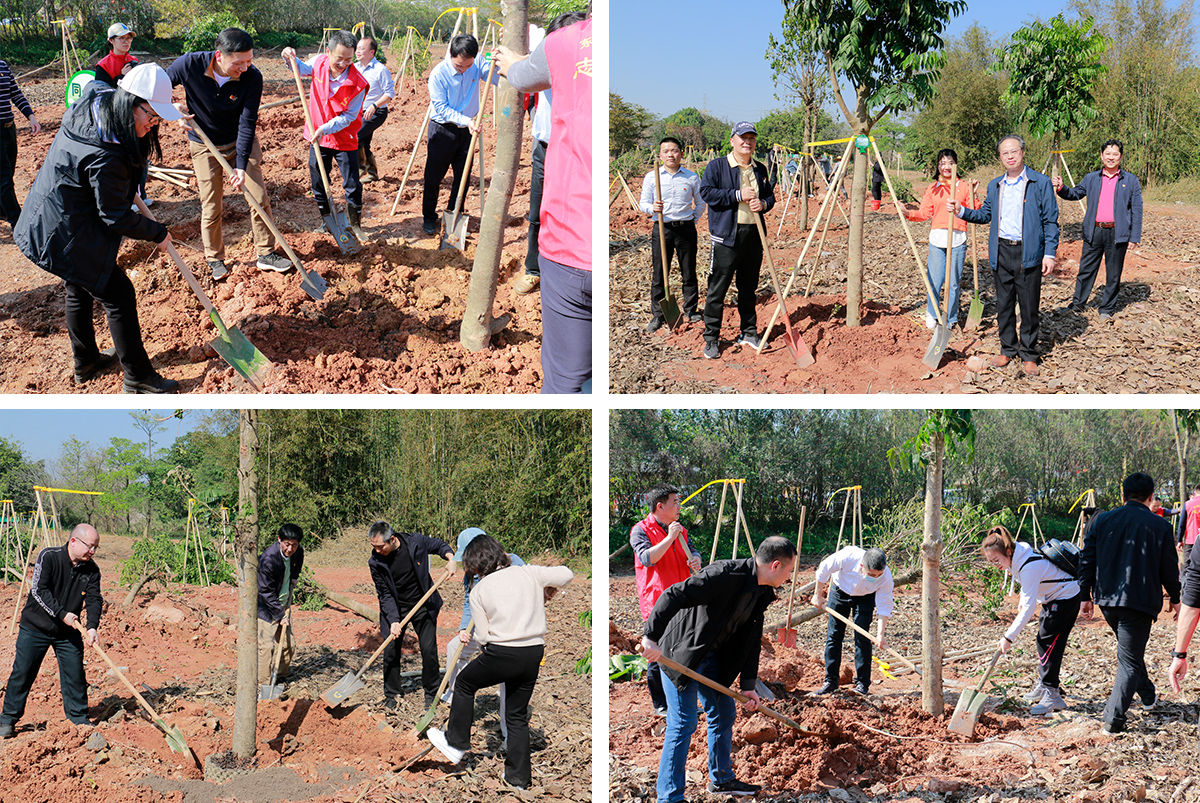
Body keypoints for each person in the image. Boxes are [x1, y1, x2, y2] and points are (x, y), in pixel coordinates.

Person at [15, 64, 180, 393]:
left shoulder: (100, 100)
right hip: (65, 228)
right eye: (152, 114)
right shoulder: (106, 155)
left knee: (78, 286)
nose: (154, 123)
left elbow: (92, 88)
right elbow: (116, 216)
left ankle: (86, 361)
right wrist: (156, 232)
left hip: (58, 213)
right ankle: (138, 377)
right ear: (130, 103)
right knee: (118, 294)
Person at [641, 536, 797, 802]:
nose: (789, 577)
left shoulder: (761, 592)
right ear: (775, 565)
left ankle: (721, 780)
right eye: (790, 570)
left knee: (724, 712)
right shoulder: (724, 574)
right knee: (683, 723)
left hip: (711, 658)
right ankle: (669, 797)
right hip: (680, 654)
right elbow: (673, 594)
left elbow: (751, 641)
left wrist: (748, 686)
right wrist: (650, 637)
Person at [427, 534, 573, 790]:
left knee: (463, 683)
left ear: (474, 565)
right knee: (516, 717)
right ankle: (518, 780)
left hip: (503, 653)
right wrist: (541, 584)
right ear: (500, 553)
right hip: (534, 652)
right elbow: (567, 574)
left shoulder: (479, 589)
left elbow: (482, 637)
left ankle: (455, 743)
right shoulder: (529, 573)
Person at [496, 14, 592, 394]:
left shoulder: (564, 45)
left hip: (569, 245)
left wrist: (511, 62)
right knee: (533, 215)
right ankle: (532, 266)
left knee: (566, 378)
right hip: (549, 163)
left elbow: (518, 75)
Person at [167, 27, 291, 280]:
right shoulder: (189, 64)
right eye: (239, 63)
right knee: (211, 203)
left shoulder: (252, 78)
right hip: (203, 143)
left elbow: (247, 123)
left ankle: (266, 253)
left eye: (249, 61)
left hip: (238, 140)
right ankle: (215, 258)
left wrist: (241, 166)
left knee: (258, 196)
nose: (245, 68)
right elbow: (154, 87)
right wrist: (170, 109)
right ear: (219, 55)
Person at [1079, 472, 1180, 734]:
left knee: (1129, 654)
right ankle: (1113, 720)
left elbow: (1087, 557)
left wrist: (1084, 595)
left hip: (1108, 600)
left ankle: (1148, 696)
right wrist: (1176, 598)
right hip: (1140, 601)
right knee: (1130, 660)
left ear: (1123, 496)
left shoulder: (1102, 520)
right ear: (1150, 497)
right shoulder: (1160, 526)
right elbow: (1169, 567)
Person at [953, 135, 1058, 376]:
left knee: (1029, 307)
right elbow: (985, 214)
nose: (1010, 156)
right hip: (1001, 250)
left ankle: (1029, 354)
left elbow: (1050, 221)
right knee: (1004, 305)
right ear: (1000, 157)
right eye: (1004, 153)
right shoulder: (995, 185)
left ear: (1022, 153)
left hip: (1028, 252)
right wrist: (962, 211)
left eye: (1014, 151)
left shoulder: (1039, 183)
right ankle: (1008, 349)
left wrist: (1049, 254)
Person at [0, 524, 102, 737]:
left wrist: (92, 627)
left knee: (74, 673)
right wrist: (62, 613)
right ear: (74, 541)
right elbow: (39, 590)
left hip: (67, 632)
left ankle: (79, 719)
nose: (92, 552)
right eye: (89, 546)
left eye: (96, 548)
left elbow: (94, 599)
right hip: (35, 627)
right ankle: (7, 719)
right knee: (23, 672)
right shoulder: (50, 556)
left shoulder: (91, 570)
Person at [513, 11, 587, 297]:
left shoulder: (586, 68)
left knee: (573, 213)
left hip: (577, 150)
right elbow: (521, 67)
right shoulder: (546, 60)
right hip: (545, 147)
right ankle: (534, 270)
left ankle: (566, 273)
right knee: (537, 213)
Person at [980, 525, 1081, 716]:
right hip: (1052, 597)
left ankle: (1052, 694)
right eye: (991, 562)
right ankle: (1044, 685)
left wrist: (1008, 637)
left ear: (1008, 552)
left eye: (996, 560)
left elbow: (1028, 609)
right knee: (1044, 641)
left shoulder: (1028, 566)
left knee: (1048, 643)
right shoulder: (1017, 557)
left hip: (1066, 597)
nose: (995, 565)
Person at [699, 122, 776, 361]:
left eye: (752, 138)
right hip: (726, 237)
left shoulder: (760, 169)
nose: (747, 142)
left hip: (753, 236)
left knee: (748, 288)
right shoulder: (718, 166)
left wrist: (763, 204)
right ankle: (711, 337)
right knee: (717, 290)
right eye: (743, 137)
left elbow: (770, 196)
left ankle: (749, 332)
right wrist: (737, 196)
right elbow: (707, 193)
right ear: (732, 140)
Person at [441, 527, 526, 741]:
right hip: (481, 628)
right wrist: (463, 629)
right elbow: (469, 601)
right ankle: (457, 698)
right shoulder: (471, 572)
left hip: (509, 632)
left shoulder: (512, 562)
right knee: (454, 647)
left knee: (508, 678)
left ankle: (509, 735)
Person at [283, 33, 369, 236]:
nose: (344, 63)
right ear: (328, 52)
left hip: (343, 138)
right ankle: (328, 221)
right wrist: (289, 57)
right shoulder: (319, 62)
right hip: (317, 137)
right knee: (318, 182)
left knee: (351, 183)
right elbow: (301, 68)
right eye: (339, 58)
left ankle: (355, 224)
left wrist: (325, 128)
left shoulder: (358, 83)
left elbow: (348, 117)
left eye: (349, 59)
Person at [630, 484, 702, 716]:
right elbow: (647, 558)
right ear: (660, 506)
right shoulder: (640, 530)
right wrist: (670, 538)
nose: (679, 506)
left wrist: (696, 560)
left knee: (683, 649)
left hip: (683, 597)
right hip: (658, 600)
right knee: (656, 652)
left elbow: (691, 550)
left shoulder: (679, 530)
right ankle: (661, 704)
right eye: (675, 502)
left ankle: (682, 701)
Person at [367, 521, 456, 708]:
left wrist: (451, 559)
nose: (376, 550)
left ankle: (431, 693)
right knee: (391, 650)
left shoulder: (415, 542)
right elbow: (384, 594)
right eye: (373, 547)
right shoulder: (375, 562)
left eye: (380, 546)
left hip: (423, 603)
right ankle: (392, 695)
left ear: (392, 539)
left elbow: (439, 545)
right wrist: (393, 620)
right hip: (395, 608)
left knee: (429, 649)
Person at [1053, 140, 1142, 320]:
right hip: (1094, 231)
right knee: (1086, 270)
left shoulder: (1130, 180)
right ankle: (1077, 305)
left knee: (1113, 273)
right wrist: (1062, 188)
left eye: (1115, 154)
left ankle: (1107, 309)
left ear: (1121, 157)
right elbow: (1075, 194)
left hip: (1117, 234)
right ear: (1102, 156)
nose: (1111, 157)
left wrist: (1134, 236)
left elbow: (1137, 210)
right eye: (1107, 154)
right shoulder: (1091, 178)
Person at [422, 33, 500, 236]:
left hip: (467, 131)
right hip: (443, 129)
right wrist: (467, 121)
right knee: (433, 177)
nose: (464, 70)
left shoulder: (476, 62)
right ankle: (429, 217)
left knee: (462, 176)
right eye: (459, 66)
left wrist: (504, 66)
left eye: (468, 66)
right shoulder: (438, 74)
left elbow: (492, 75)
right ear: (450, 54)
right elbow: (441, 107)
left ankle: (453, 214)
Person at [903, 149, 978, 329]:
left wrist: (974, 193)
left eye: (950, 163)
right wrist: (908, 213)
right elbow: (924, 213)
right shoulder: (933, 188)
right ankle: (932, 313)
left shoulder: (963, 186)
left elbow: (975, 212)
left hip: (958, 239)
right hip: (937, 240)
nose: (946, 167)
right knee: (935, 280)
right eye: (942, 163)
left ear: (956, 164)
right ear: (937, 166)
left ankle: (950, 318)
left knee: (953, 283)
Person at [640, 137, 705, 332]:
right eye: (666, 151)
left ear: (681, 154)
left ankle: (691, 310)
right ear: (660, 155)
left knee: (689, 270)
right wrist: (652, 207)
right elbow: (642, 203)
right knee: (660, 273)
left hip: (685, 228)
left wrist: (692, 220)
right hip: (662, 228)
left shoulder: (692, 177)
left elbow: (701, 202)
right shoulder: (652, 177)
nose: (670, 154)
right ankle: (658, 314)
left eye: (674, 150)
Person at [810, 545, 894, 696]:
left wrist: (880, 634)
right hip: (840, 591)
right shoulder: (848, 556)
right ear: (862, 566)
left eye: (878, 575)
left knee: (862, 638)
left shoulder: (885, 577)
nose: (875, 578)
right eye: (871, 574)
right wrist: (817, 594)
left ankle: (862, 685)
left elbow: (884, 605)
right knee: (834, 636)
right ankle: (831, 681)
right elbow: (824, 569)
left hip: (865, 598)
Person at [257, 523, 304, 685]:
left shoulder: (297, 552)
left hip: (283, 604)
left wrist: (294, 577)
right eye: (287, 544)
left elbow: (299, 557)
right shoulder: (268, 560)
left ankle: (279, 676)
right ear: (279, 540)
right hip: (267, 608)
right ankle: (264, 683)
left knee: (289, 646)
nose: (290, 549)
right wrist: (280, 615)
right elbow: (265, 591)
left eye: (294, 545)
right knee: (266, 648)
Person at [0, 56, 40, 233]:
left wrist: (30, 116)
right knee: (4, 178)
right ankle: (18, 222)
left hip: (9, 128)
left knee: (8, 173)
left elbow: (15, 93)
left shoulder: (2, 65)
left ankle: (2, 210)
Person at [353, 36, 394, 184]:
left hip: (376, 112)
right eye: (357, 49)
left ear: (372, 52)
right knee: (364, 142)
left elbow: (389, 93)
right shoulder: (354, 68)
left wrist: (374, 105)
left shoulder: (380, 70)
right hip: (358, 112)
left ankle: (361, 166)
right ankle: (372, 173)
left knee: (355, 136)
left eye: (362, 49)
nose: (358, 52)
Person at [1177, 485, 1200, 568]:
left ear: (1195, 492)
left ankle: (1187, 580)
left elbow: (1181, 524)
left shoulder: (1188, 504)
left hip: (1191, 540)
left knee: (1189, 566)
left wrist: (1179, 540)